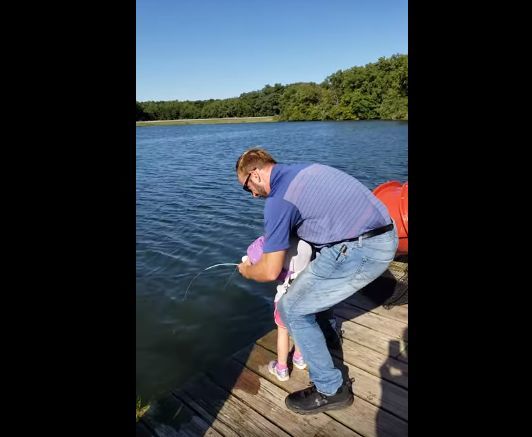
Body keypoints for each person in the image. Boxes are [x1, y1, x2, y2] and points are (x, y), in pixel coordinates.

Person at [235, 148, 398, 414]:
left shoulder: (279, 200)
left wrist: (246, 270)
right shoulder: (303, 169)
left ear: (255, 174)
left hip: (364, 249)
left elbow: (268, 271)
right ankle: (327, 335)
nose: (252, 194)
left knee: (292, 309)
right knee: (311, 280)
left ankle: (330, 389)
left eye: (247, 188)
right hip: (381, 233)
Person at [244, 235, 313, 381]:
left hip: (286, 300)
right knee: (301, 329)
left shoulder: (280, 242)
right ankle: (299, 359)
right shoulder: (307, 245)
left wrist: (247, 263)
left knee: (283, 331)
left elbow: (265, 262)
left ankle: (282, 369)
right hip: (307, 297)